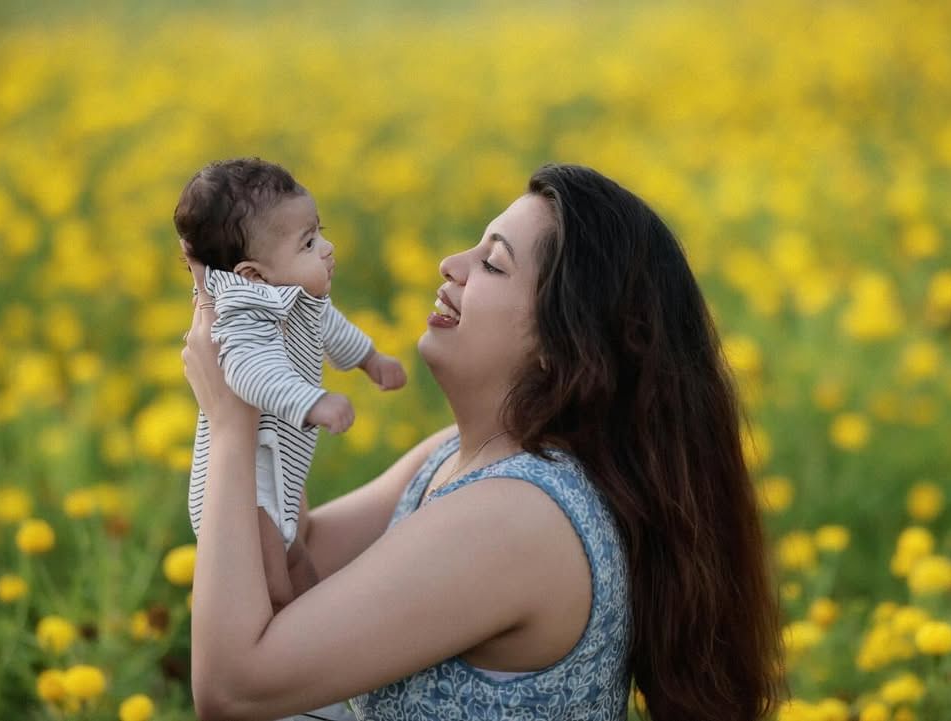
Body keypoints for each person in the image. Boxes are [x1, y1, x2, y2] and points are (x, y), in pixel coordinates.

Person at [182, 163, 785, 721]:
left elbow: (234, 687)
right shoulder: (453, 458)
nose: (451, 263)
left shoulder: (516, 517)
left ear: (563, 342)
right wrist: (260, 350)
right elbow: (285, 548)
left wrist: (232, 424)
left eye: (493, 263)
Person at [175, 158, 406, 615]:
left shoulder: (297, 295)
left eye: (319, 232)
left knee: (296, 551)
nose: (328, 248)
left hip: (280, 464)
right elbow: (247, 370)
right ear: (253, 276)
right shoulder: (241, 313)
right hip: (248, 481)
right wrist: (312, 402)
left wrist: (369, 359)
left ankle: (316, 626)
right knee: (275, 583)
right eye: (308, 243)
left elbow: (330, 327)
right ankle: (293, 636)